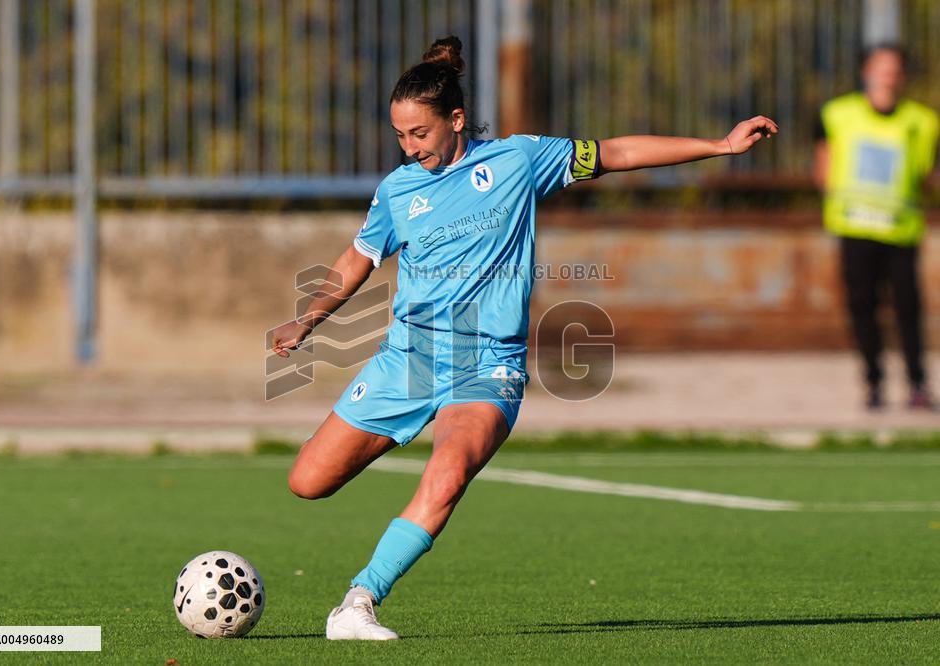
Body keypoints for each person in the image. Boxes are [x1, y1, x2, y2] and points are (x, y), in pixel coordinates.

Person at [268, 36, 777, 640]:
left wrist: (719, 145)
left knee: (448, 473)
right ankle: (393, 435)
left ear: (457, 120)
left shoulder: (518, 160)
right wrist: (309, 317)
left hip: (488, 363)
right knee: (308, 481)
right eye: (399, 135)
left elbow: (614, 152)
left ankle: (359, 602)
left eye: (420, 133)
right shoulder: (398, 191)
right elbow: (358, 257)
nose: (409, 147)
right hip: (409, 357)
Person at [814, 44, 938, 410]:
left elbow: (925, 174)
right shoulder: (837, 114)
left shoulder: (923, 121)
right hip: (854, 225)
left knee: (908, 308)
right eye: (881, 67)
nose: (888, 75)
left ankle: (917, 384)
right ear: (865, 72)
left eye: (894, 68)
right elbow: (823, 165)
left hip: (900, 229)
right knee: (862, 307)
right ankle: (873, 382)